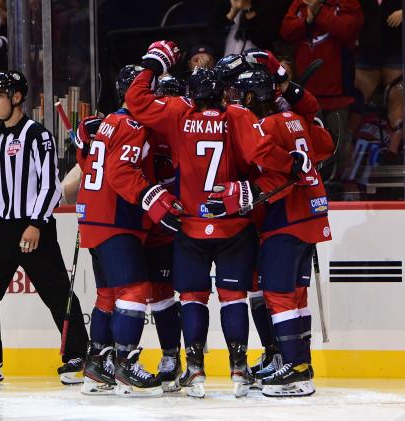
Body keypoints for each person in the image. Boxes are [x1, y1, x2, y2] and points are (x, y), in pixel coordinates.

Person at [125, 40, 312, 398]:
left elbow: (137, 101)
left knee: (193, 298)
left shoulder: (179, 112)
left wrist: (152, 63)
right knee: (234, 298)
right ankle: (239, 370)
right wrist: (292, 165)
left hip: (192, 226)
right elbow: (262, 152)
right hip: (234, 226)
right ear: (223, 95)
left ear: (192, 96)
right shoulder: (237, 115)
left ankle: (195, 372)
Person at [0, 70, 89, 385]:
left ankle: (79, 356)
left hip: (33, 227)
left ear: (16, 97)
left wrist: (36, 224)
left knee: (56, 292)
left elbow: (50, 187)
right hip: (0, 227)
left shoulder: (38, 135)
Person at [210, 67, 333, 397]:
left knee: (278, 294)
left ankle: (295, 371)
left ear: (251, 96)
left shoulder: (263, 125)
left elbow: (276, 173)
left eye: (241, 93)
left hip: (287, 216)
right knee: (296, 294)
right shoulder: (295, 118)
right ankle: (301, 364)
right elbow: (325, 145)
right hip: (311, 212)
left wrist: (243, 192)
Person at [75, 64, 184, 397]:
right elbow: (121, 173)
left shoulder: (110, 121)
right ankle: (125, 364)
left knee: (108, 293)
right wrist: (151, 198)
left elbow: (90, 164)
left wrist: (80, 140)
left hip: (94, 217)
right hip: (116, 219)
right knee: (135, 290)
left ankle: (97, 363)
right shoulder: (134, 125)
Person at [280, 0, 363, 184]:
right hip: (305, 93)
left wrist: (318, 12)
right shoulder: (299, 3)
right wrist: (307, 18)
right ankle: (310, 184)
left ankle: (343, 187)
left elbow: (347, 30)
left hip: (337, 92)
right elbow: (286, 31)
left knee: (340, 142)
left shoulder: (348, 3)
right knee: (306, 143)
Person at [354, 0, 405, 161]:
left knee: (396, 97)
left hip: (396, 46)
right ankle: (350, 147)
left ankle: (393, 150)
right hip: (367, 46)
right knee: (357, 100)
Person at [210, 0, 291, 56]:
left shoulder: (274, 4)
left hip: (257, 59)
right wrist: (233, 11)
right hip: (226, 53)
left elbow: (265, 38)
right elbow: (214, 28)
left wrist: (248, 10)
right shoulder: (227, 2)